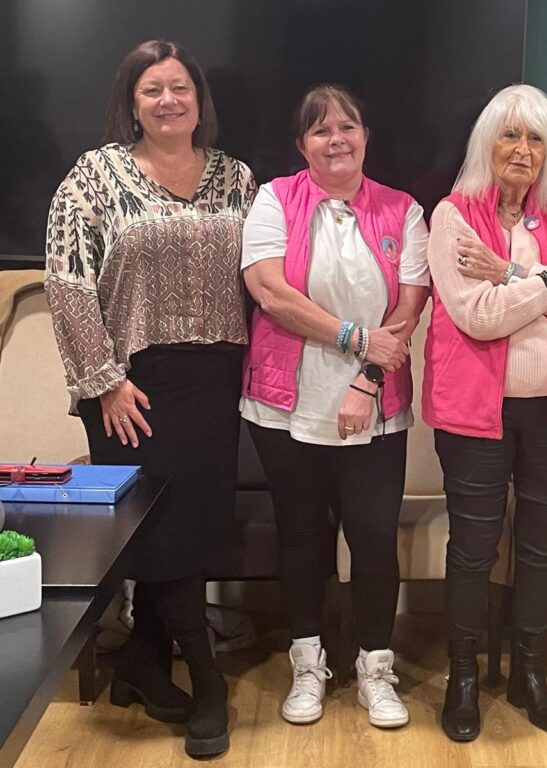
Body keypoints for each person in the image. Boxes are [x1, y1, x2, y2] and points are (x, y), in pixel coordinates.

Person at [44, 39, 255, 759]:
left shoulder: (237, 178)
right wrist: (103, 380)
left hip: (215, 381)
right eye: (152, 90)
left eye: (180, 87)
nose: (169, 100)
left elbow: (264, 273)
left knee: (194, 529)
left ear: (199, 99)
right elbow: (67, 282)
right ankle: (207, 682)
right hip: (131, 387)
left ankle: (140, 660)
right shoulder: (94, 176)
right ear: (131, 104)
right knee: (162, 535)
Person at [240, 84, 429, 728]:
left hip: (377, 406)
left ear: (366, 136)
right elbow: (271, 292)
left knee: (373, 539)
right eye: (321, 130)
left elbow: (407, 311)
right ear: (303, 144)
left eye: (347, 127)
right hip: (284, 406)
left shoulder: (404, 211)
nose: (336, 140)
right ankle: (308, 664)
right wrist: (355, 337)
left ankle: (375, 667)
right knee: (301, 537)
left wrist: (367, 379)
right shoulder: (274, 199)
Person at [423, 83, 547, 741]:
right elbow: (477, 317)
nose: (523, 150)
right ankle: (464, 677)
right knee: (473, 550)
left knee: (543, 546)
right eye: (510, 135)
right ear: (486, 143)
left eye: (536, 138)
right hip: (476, 415)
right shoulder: (453, 217)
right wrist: (545, 280)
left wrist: (506, 272)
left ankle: (528, 673)